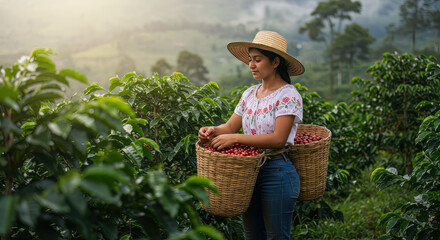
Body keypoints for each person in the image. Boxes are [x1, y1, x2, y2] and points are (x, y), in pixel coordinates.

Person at [198, 30, 304, 240]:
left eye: (258, 60)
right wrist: (212, 130)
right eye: (250, 60)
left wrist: (236, 138)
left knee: (277, 237)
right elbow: (230, 126)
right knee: (252, 235)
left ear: (275, 63)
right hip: (247, 172)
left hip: (276, 172)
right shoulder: (249, 94)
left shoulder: (288, 95)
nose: (251, 65)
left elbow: (278, 139)